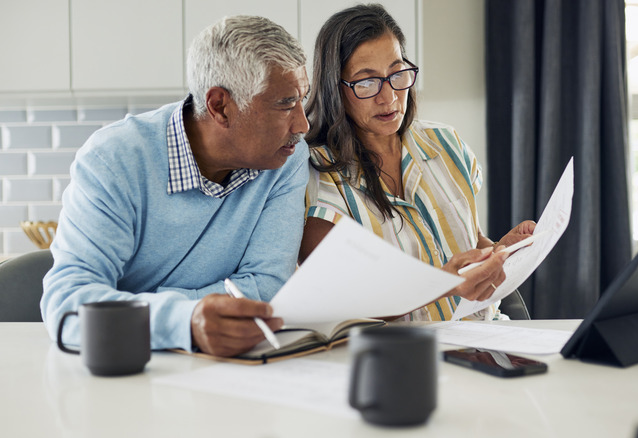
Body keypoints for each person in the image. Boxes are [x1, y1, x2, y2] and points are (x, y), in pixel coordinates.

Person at [42, 15, 310, 357]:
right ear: (220, 107)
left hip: (226, 370)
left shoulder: (286, 157)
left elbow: (266, 289)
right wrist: (185, 321)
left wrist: (144, 310)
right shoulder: (114, 159)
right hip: (125, 367)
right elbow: (69, 304)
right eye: (285, 103)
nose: (302, 123)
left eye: (302, 99)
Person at [300, 4, 535, 321]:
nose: (389, 98)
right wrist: (445, 285)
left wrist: (499, 252)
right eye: (366, 82)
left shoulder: (445, 143)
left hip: (487, 339)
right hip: (402, 357)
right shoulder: (314, 178)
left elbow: (469, 237)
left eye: (397, 74)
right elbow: (342, 300)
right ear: (335, 88)